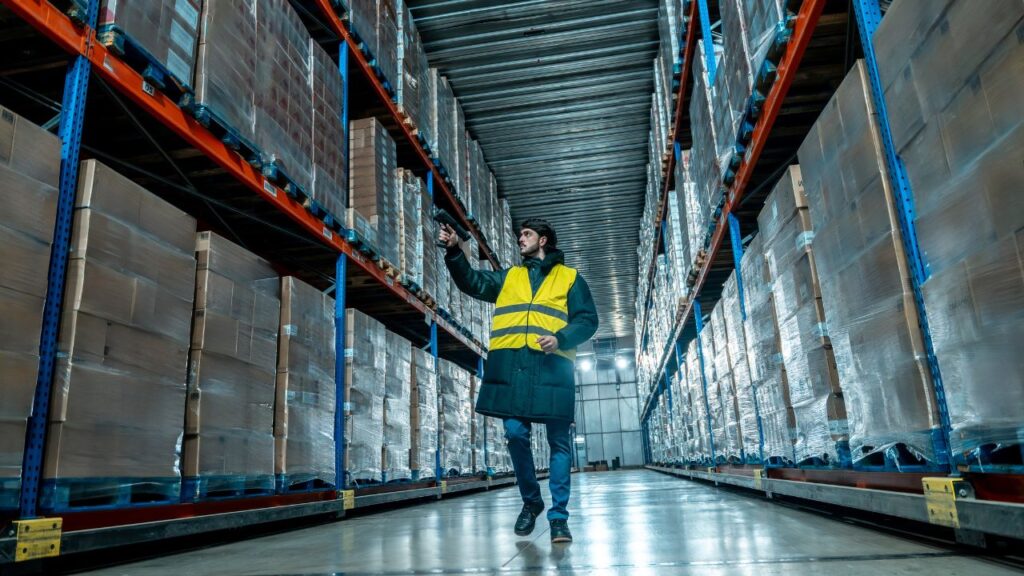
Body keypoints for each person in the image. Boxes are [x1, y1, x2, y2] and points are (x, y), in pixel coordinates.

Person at [439, 218, 598, 544]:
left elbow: (588, 320)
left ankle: (558, 519)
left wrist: (562, 338)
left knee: (559, 444)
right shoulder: (511, 276)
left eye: (525, 235)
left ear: (543, 240)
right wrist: (455, 250)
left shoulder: (570, 279)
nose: (519, 240)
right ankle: (532, 500)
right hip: (514, 369)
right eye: (519, 235)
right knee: (514, 433)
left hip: (553, 368)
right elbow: (473, 282)